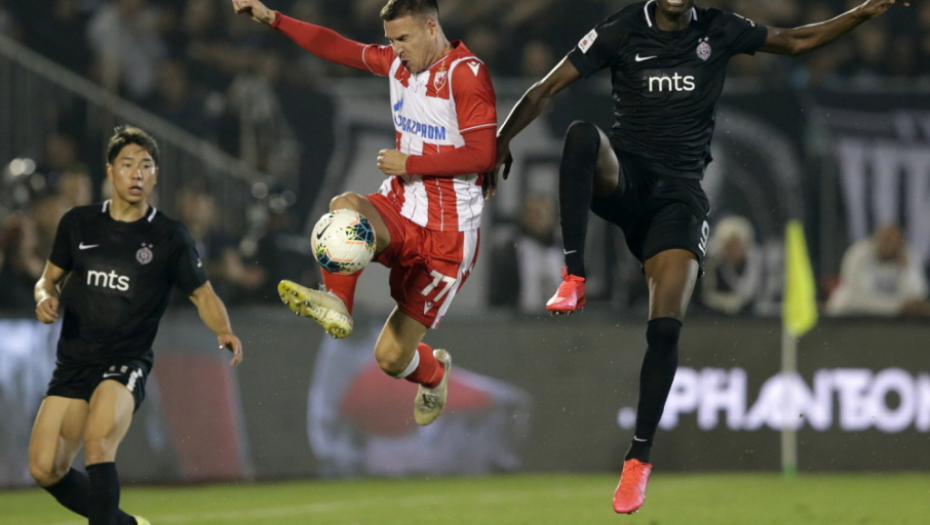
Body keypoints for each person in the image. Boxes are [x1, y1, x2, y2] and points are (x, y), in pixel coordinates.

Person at [488, 0, 908, 514]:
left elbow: (796, 41)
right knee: (581, 136)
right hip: (627, 180)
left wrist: (864, 11)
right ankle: (574, 275)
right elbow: (545, 88)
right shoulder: (622, 29)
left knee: (665, 328)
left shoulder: (719, 29)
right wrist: (501, 139)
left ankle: (638, 460)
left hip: (679, 202)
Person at [233, 0, 496, 426]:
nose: (397, 49)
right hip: (400, 208)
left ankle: (434, 374)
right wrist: (274, 19)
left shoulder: (466, 73)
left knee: (391, 359)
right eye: (391, 40)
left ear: (432, 28)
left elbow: (482, 155)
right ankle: (338, 302)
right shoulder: (397, 63)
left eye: (404, 38)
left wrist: (410, 162)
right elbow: (336, 47)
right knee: (345, 208)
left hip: (446, 237)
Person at [29, 126, 244, 525]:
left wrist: (223, 329)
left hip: (125, 361)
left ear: (155, 176)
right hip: (73, 362)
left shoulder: (170, 236)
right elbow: (47, 279)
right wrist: (44, 297)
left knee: (98, 443)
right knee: (45, 468)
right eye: (127, 164)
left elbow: (203, 294)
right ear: (110, 171)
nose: (137, 173)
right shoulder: (78, 223)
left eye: (146, 166)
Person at [826, 224, 930, 317]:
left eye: (894, 240)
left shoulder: (907, 256)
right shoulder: (859, 253)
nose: (889, 244)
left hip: (891, 319)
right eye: (886, 239)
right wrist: (896, 306)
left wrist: (905, 270)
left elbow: (916, 297)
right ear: (876, 238)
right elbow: (857, 297)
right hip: (852, 315)